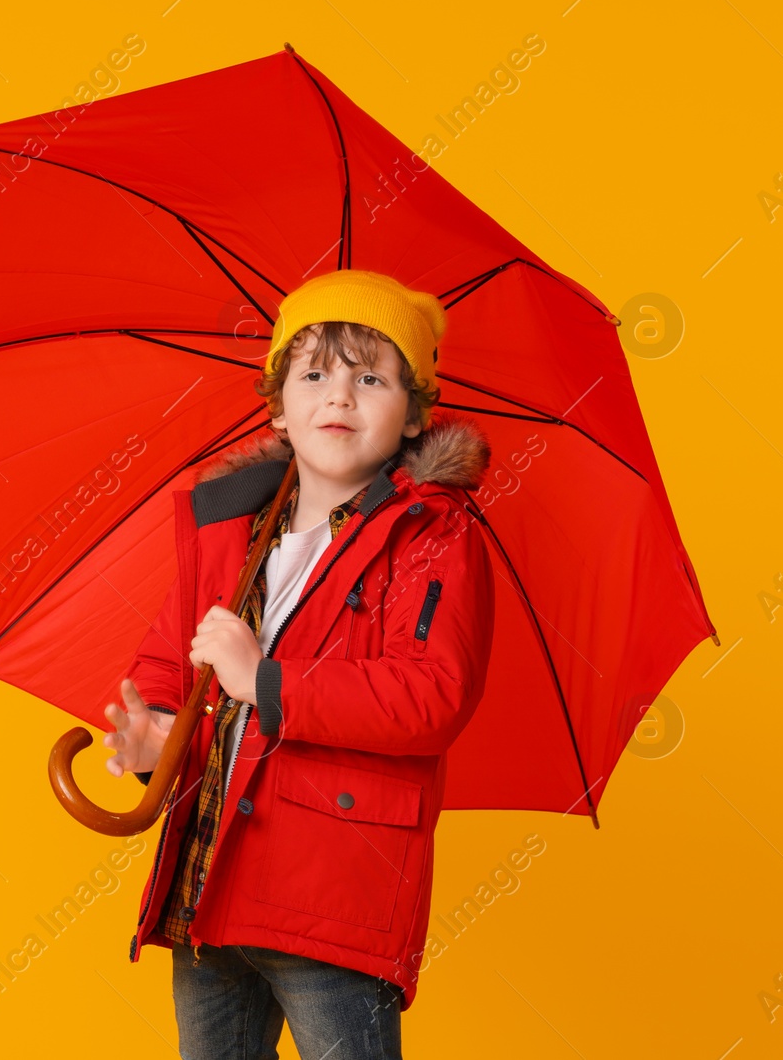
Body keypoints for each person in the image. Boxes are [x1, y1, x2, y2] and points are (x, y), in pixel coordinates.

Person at [102, 269, 497, 1059]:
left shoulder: (434, 539)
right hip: (208, 881)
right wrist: (155, 734)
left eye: (371, 377)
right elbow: (170, 656)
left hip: (333, 899)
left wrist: (267, 682)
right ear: (279, 406)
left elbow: (431, 696)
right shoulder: (228, 529)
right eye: (313, 373)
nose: (339, 396)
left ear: (414, 415)